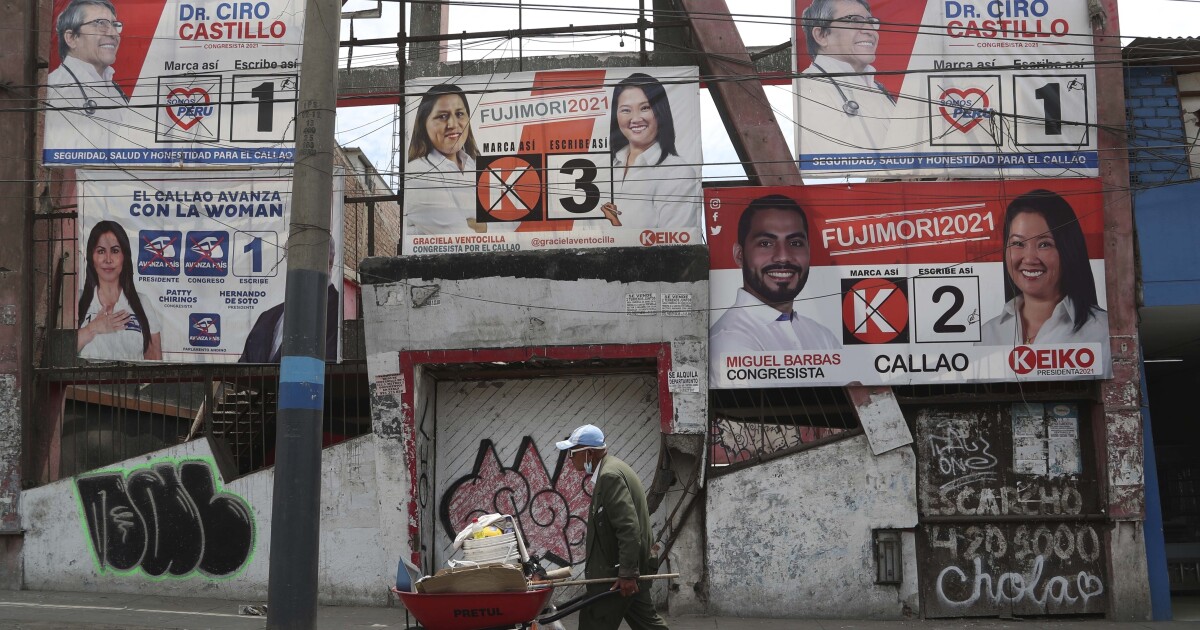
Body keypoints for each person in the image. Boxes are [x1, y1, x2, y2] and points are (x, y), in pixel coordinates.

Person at [709, 194, 840, 378]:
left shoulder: (822, 335)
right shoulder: (729, 338)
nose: (783, 256)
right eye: (766, 243)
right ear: (739, 255)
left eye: (795, 243)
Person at [555, 424, 669, 630]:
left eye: (572, 452)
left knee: (594, 622)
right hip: (627, 569)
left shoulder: (609, 476)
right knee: (648, 625)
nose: (570, 458)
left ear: (588, 452)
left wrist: (626, 572)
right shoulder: (613, 468)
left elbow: (627, 527)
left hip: (616, 573)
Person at [978, 189, 1108, 346]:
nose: (1030, 259)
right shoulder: (988, 335)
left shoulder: (1103, 332)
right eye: (1018, 243)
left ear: (1069, 249)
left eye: (1044, 244)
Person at [405, 83, 514, 236]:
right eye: (442, 116)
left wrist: (476, 226)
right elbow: (456, 234)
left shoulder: (477, 167)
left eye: (459, 114)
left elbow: (513, 224)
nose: (453, 124)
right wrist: (487, 226)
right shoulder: (417, 171)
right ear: (424, 124)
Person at [597, 73, 700, 229]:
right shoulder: (606, 167)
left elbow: (674, 245)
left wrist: (615, 224)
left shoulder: (678, 173)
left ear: (660, 111)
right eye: (626, 110)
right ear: (615, 116)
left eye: (645, 108)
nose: (636, 118)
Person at [797, 0, 895, 156]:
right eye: (854, 20)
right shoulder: (806, 90)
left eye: (871, 22)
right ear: (821, 35)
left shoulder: (880, 90)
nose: (870, 30)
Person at [44, 0, 129, 155]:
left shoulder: (116, 90)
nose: (113, 33)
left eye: (115, 25)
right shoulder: (56, 88)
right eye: (100, 23)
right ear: (71, 38)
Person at [77, 220, 162, 361]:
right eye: (101, 251)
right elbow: (61, 353)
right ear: (91, 257)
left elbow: (154, 358)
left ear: (124, 257)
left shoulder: (142, 303)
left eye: (115, 251)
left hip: (131, 383)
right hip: (85, 383)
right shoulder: (77, 300)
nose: (108, 259)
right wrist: (92, 328)